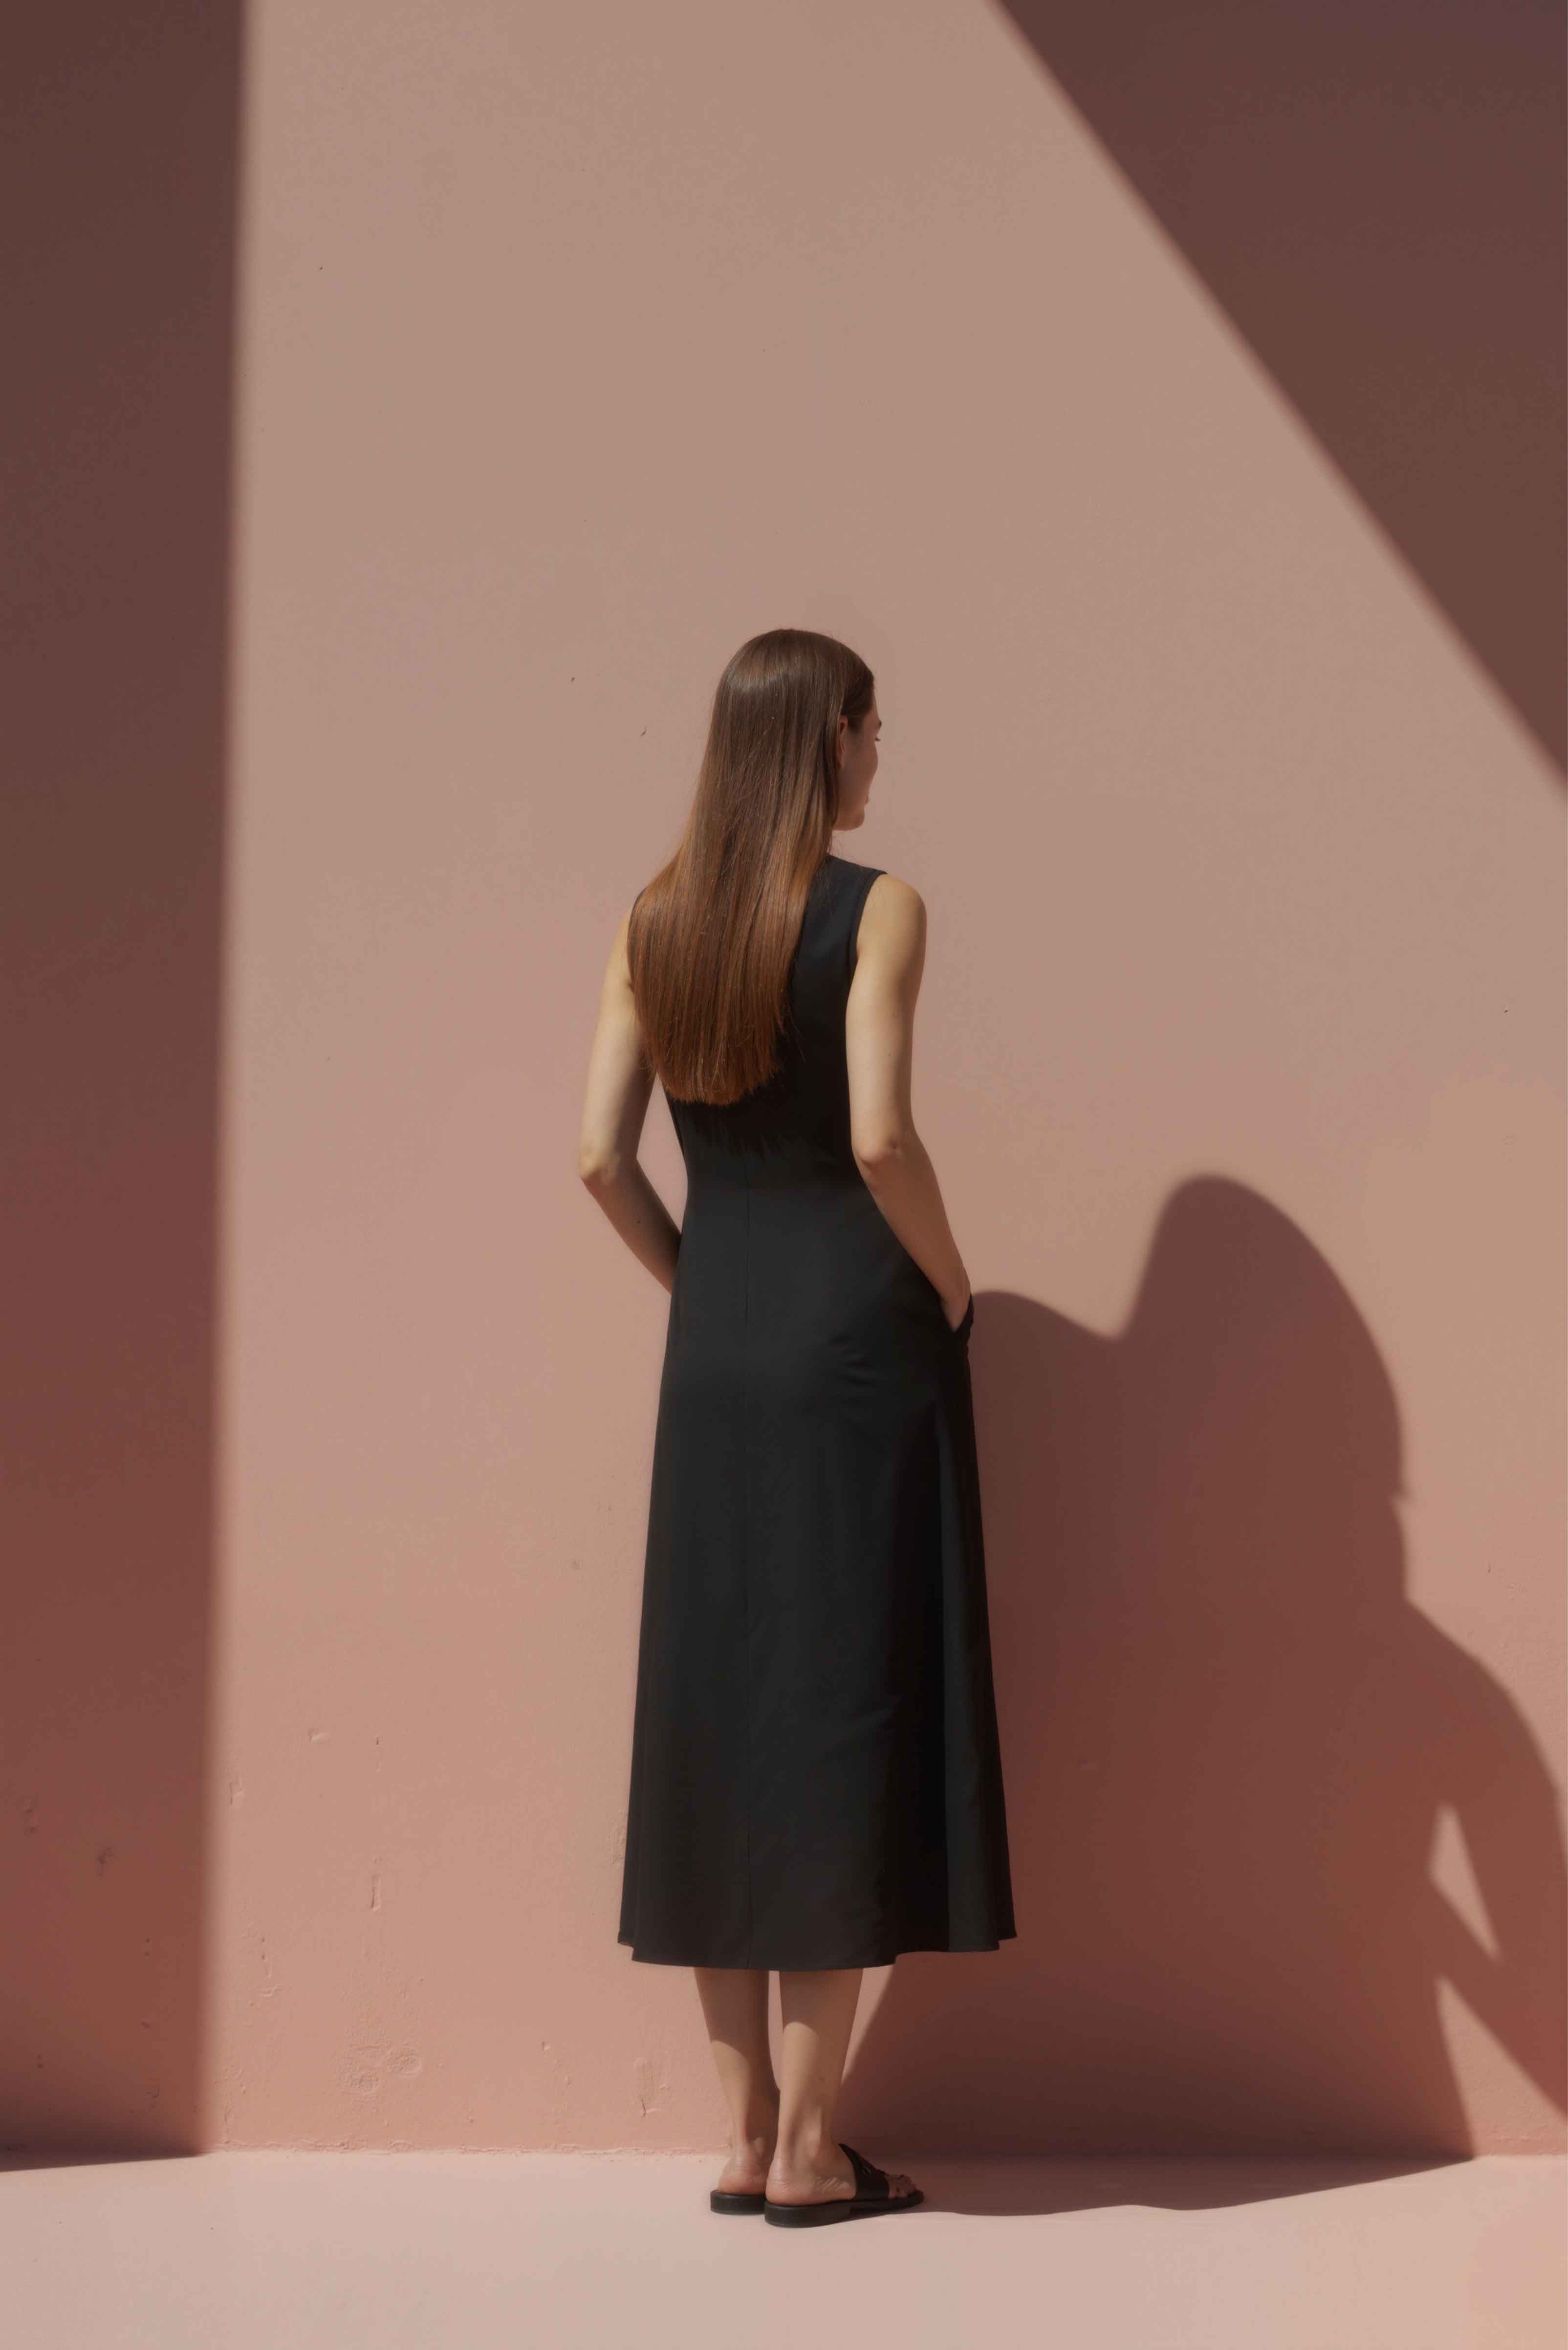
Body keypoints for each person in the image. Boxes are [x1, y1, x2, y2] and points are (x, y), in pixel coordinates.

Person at [578, 628, 1015, 2226]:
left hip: (719, 1348)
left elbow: (597, 1159)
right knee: (840, 1708)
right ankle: (820, 2152)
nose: (881, 752)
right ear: (825, 741)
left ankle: (749, 2133)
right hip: (853, 1341)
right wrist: (957, 1291)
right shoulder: (877, 907)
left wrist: (705, 1286)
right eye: (873, 727)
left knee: (718, 1715)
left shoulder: (654, 919)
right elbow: (885, 1133)